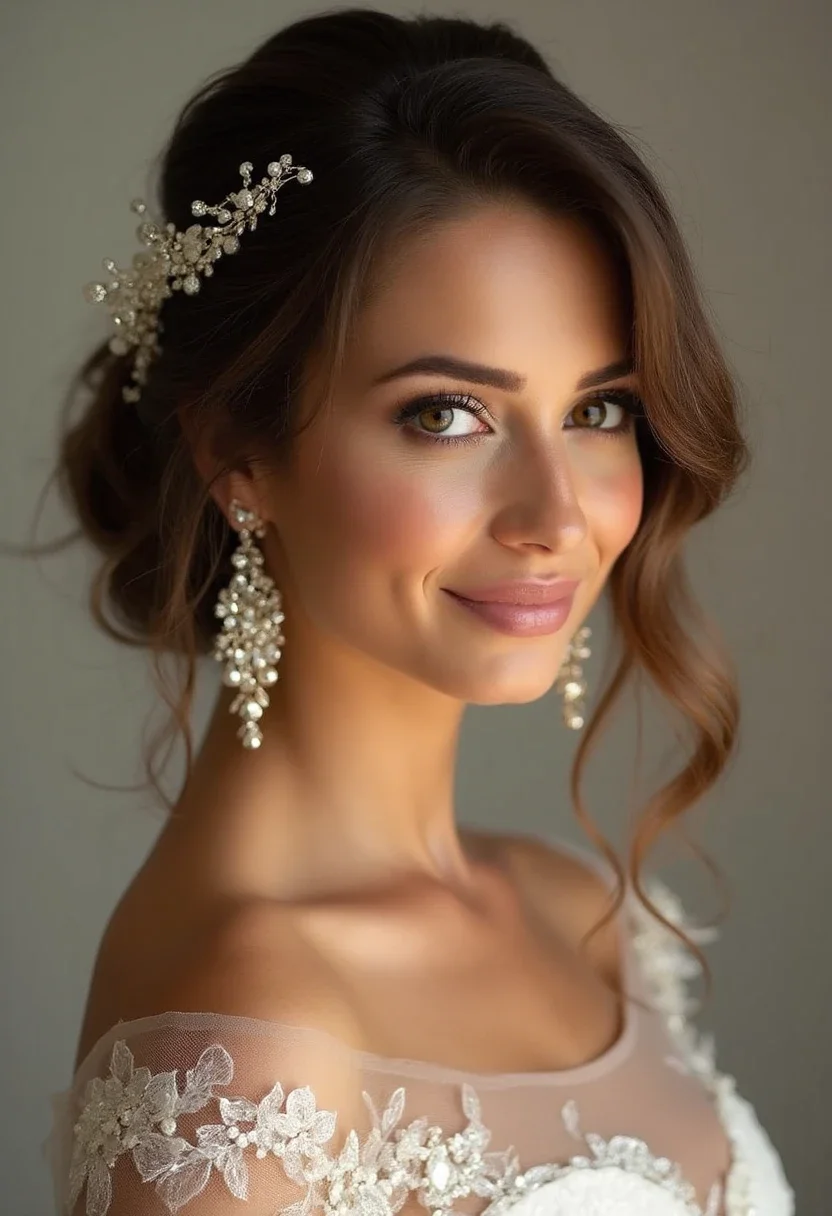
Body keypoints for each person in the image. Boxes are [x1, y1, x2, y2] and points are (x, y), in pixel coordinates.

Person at [39, 8, 794, 1215]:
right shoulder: (249, 1048)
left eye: (598, 409)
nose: (555, 512)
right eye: (447, 413)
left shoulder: (579, 912)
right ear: (237, 448)